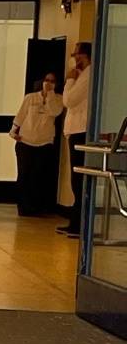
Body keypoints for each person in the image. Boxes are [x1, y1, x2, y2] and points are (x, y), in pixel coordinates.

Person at [11, 71, 64, 217]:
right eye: (46, 80)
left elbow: (54, 112)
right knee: (24, 175)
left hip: (44, 143)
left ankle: (36, 207)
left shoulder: (59, 99)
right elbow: (21, 115)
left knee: (38, 176)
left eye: (52, 81)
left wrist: (50, 95)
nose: (48, 83)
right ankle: (23, 207)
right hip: (25, 141)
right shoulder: (30, 97)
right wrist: (13, 131)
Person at [59, 40, 94, 237]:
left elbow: (69, 100)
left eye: (76, 54)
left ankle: (79, 224)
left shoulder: (87, 75)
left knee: (79, 179)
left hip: (81, 130)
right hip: (75, 129)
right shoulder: (83, 75)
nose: (73, 58)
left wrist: (70, 81)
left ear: (84, 56)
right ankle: (75, 220)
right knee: (75, 179)